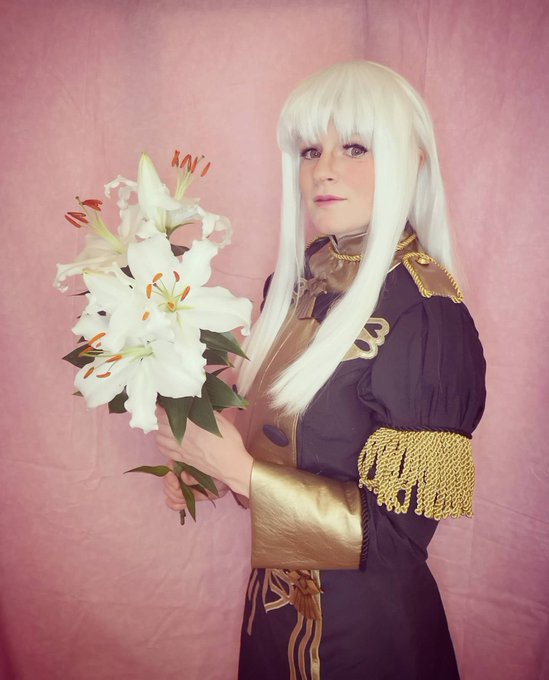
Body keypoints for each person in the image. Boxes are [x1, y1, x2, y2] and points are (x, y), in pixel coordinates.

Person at [156, 60, 486, 680]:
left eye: (355, 147)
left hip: (369, 641)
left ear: (413, 162)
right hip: (270, 620)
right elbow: (283, 447)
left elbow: (398, 539)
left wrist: (242, 473)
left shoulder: (428, 317)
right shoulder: (295, 281)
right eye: (311, 150)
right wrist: (210, 472)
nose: (323, 169)